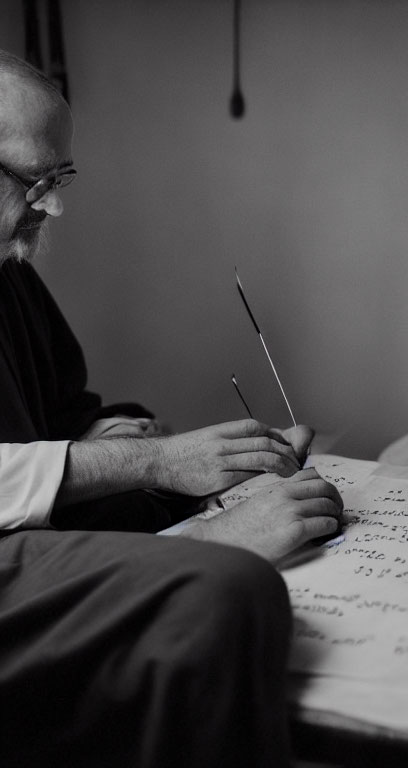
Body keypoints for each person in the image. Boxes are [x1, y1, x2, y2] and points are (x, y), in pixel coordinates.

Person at [0, 49, 343, 767]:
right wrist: (194, 523)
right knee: (225, 587)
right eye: (33, 179)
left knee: (159, 494)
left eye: (60, 178)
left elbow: (64, 412)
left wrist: (133, 441)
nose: (55, 204)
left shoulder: (9, 274)